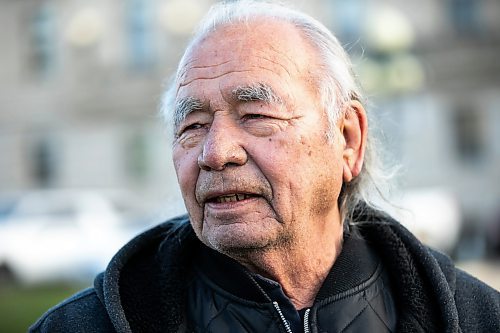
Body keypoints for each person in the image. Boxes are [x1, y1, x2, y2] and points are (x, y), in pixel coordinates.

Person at [31, 1, 499, 332]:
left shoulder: (474, 317)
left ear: (347, 140)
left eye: (256, 116)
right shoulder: (81, 326)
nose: (216, 153)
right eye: (192, 125)